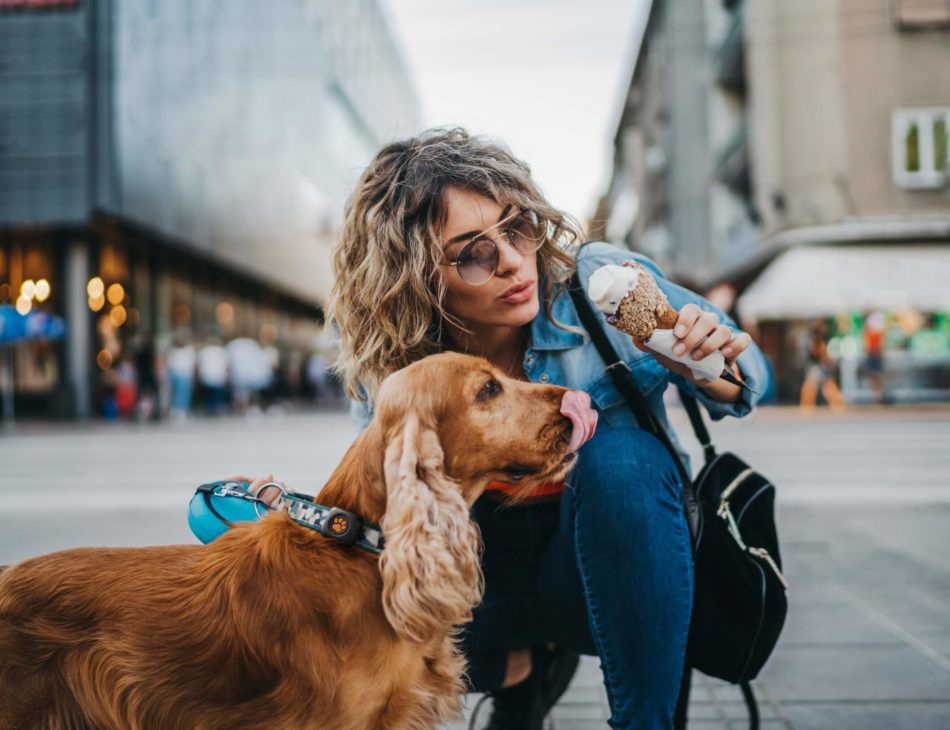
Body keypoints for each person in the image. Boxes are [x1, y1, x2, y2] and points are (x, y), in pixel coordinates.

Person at [194, 129, 771, 730]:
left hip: (610, 563)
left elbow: (752, 375)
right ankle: (520, 673)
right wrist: (285, 516)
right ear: (416, 276)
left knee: (623, 455)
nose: (514, 262)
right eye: (473, 253)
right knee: (388, 587)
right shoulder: (399, 363)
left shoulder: (599, 286)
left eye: (517, 226)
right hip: (480, 581)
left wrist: (706, 364)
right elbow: (382, 502)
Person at [799, 320, 846, 410]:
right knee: (811, 388)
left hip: (820, 367)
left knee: (827, 386)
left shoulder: (822, 337)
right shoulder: (815, 338)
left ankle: (838, 405)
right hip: (816, 367)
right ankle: (807, 406)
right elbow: (817, 352)